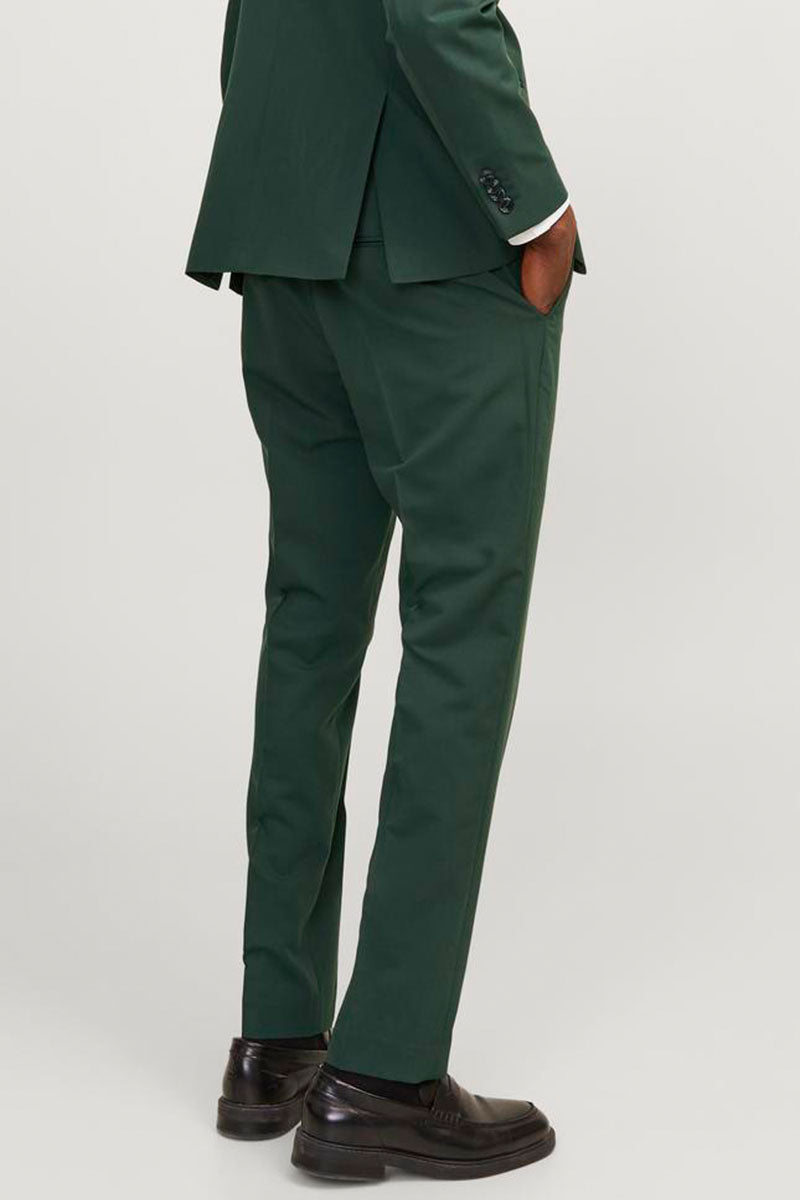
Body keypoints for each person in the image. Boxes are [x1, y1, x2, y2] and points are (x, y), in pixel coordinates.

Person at [187, 0, 584, 1182]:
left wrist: (277, 175)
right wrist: (535, 205)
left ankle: (276, 1040)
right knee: (460, 630)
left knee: (308, 625)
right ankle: (386, 1075)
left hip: (281, 223)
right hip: (426, 245)